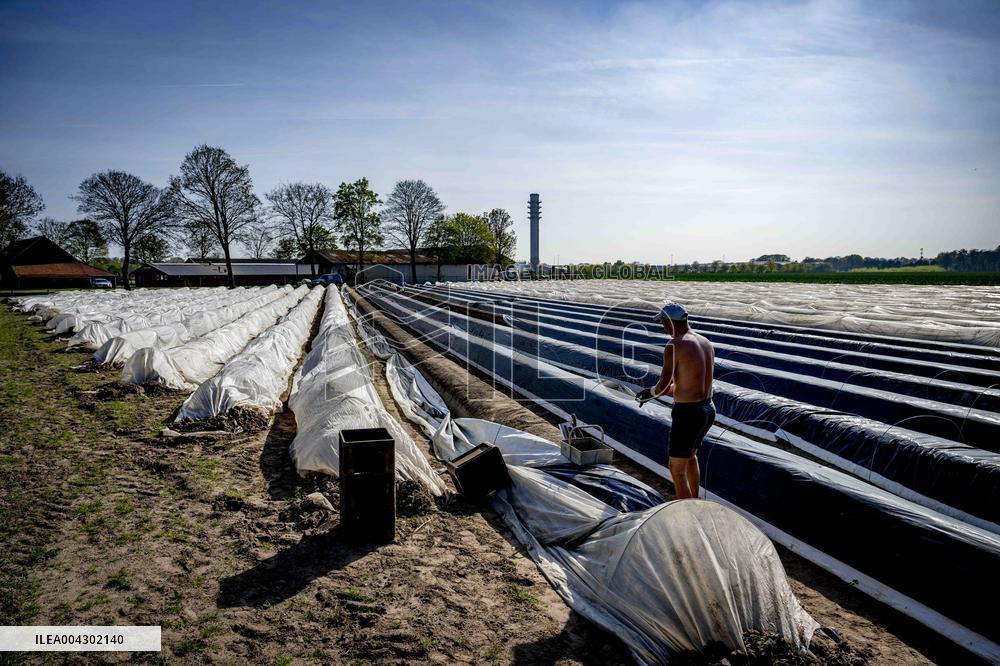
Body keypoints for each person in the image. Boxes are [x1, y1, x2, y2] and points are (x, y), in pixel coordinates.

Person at [636, 302, 715, 499]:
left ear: (670, 322)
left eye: (663, 322)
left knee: (676, 468)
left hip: (688, 413)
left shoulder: (674, 345)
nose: (662, 327)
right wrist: (658, 392)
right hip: (708, 408)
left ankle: (689, 515)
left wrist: (651, 392)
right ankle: (695, 501)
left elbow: (663, 385)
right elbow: (687, 386)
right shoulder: (705, 342)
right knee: (690, 457)